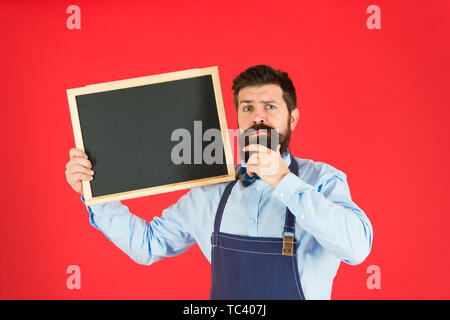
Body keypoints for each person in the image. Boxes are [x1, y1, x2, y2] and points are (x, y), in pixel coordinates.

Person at [65, 65, 373, 300]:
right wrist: (96, 190)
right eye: (247, 107)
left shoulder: (323, 181)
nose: (258, 117)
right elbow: (148, 246)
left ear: (292, 119)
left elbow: (357, 249)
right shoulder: (212, 188)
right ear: (237, 117)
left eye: (270, 106)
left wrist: (283, 180)